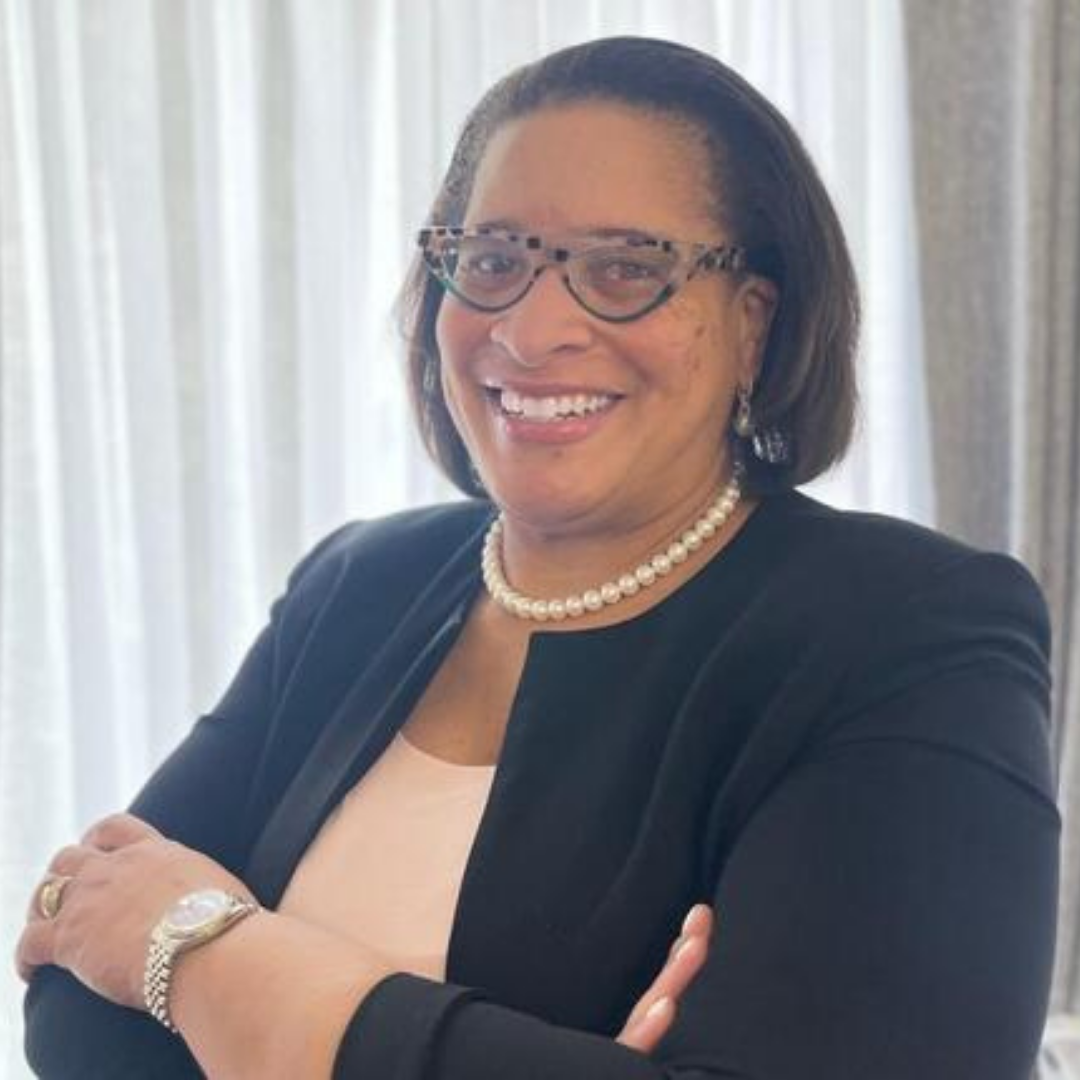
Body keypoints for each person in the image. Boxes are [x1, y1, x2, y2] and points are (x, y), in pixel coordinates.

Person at [17, 35, 1058, 1080]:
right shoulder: (355, 585)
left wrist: (210, 955)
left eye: (624, 269)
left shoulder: (907, 632)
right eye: (494, 260)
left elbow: (142, 941)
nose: (532, 327)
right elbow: (76, 969)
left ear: (753, 323)